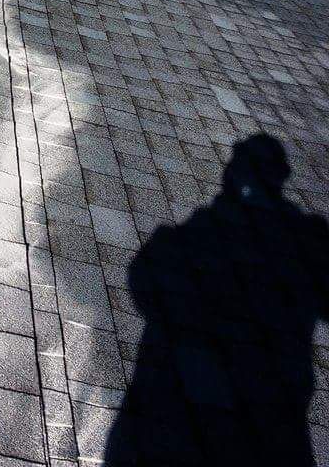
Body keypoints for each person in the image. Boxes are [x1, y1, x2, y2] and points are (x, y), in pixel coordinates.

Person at [104, 134, 329, 466]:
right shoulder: (307, 245)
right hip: (271, 418)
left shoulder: (187, 239)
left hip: (177, 407)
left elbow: (143, 286)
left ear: (231, 176)